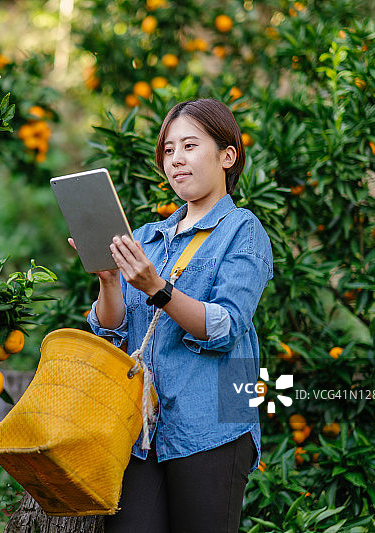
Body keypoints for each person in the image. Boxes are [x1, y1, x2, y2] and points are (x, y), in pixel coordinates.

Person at [72, 98, 273, 532]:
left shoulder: (243, 230)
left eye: (188, 146)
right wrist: (109, 281)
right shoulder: (145, 238)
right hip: (143, 430)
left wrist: (156, 288)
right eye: (167, 150)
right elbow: (114, 335)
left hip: (217, 419)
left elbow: (224, 326)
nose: (176, 160)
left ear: (227, 155)